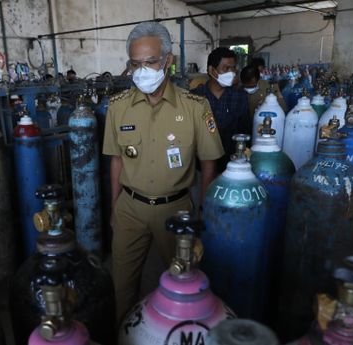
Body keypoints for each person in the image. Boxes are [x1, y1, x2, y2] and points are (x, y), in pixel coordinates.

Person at [102, 21, 224, 324]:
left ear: (168, 61)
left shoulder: (196, 107)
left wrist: (204, 211)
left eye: (150, 61)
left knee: (183, 285)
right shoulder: (118, 108)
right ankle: (123, 334)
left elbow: (209, 162)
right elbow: (116, 160)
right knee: (122, 286)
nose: (142, 70)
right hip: (130, 208)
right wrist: (115, 207)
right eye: (135, 63)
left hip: (177, 210)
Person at [191, 47, 249, 171]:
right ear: (212, 70)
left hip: (231, 166)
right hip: (199, 167)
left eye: (233, 68)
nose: (232, 73)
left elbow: (245, 131)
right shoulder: (195, 97)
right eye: (226, 68)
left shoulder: (240, 97)